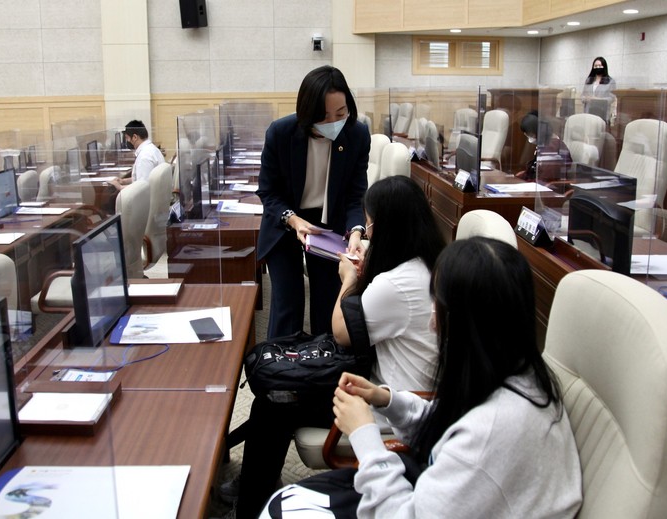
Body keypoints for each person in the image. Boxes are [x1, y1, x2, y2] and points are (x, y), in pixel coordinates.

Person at [263, 237, 583, 518]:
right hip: (421, 484)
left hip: (405, 502)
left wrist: (364, 434)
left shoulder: (491, 432)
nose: (432, 324)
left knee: (281, 509)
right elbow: (449, 422)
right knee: (286, 501)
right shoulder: (519, 374)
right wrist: (387, 400)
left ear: (469, 325)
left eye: (438, 307)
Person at [233, 175, 445, 519]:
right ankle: (254, 489)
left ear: (387, 227)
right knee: (276, 401)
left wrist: (349, 279)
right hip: (394, 388)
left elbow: (342, 331)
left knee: (274, 403)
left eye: (370, 226)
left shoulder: (396, 284)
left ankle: (250, 504)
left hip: (393, 404)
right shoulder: (426, 263)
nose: (368, 234)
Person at [257, 65, 371, 339]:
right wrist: (294, 221)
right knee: (287, 300)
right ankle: (281, 359)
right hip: (286, 221)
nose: (333, 122)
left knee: (328, 298)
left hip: (329, 226)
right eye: (324, 116)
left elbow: (355, 195)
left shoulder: (357, 134)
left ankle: (323, 358)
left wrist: (356, 232)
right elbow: (268, 192)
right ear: (307, 111)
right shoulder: (281, 132)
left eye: (340, 113)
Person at [110, 120, 165, 190]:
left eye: (127, 138)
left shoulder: (144, 157)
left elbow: (143, 188)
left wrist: (120, 187)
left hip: (148, 196)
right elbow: (142, 178)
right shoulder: (151, 149)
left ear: (135, 137)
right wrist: (124, 181)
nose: (127, 141)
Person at [515, 110, 570, 181]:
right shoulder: (544, 145)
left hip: (549, 185)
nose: (529, 137)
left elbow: (547, 178)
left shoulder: (552, 148)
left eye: (530, 134)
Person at [582, 56, 616, 122]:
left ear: (604, 66)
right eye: (595, 66)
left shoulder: (610, 81)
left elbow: (612, 98)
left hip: (602, 113)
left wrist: (597, 99)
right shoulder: (589, 80)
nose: (597, 67)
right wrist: (586, 98)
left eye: (599, 66)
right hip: (588, 113)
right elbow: (582, 96)